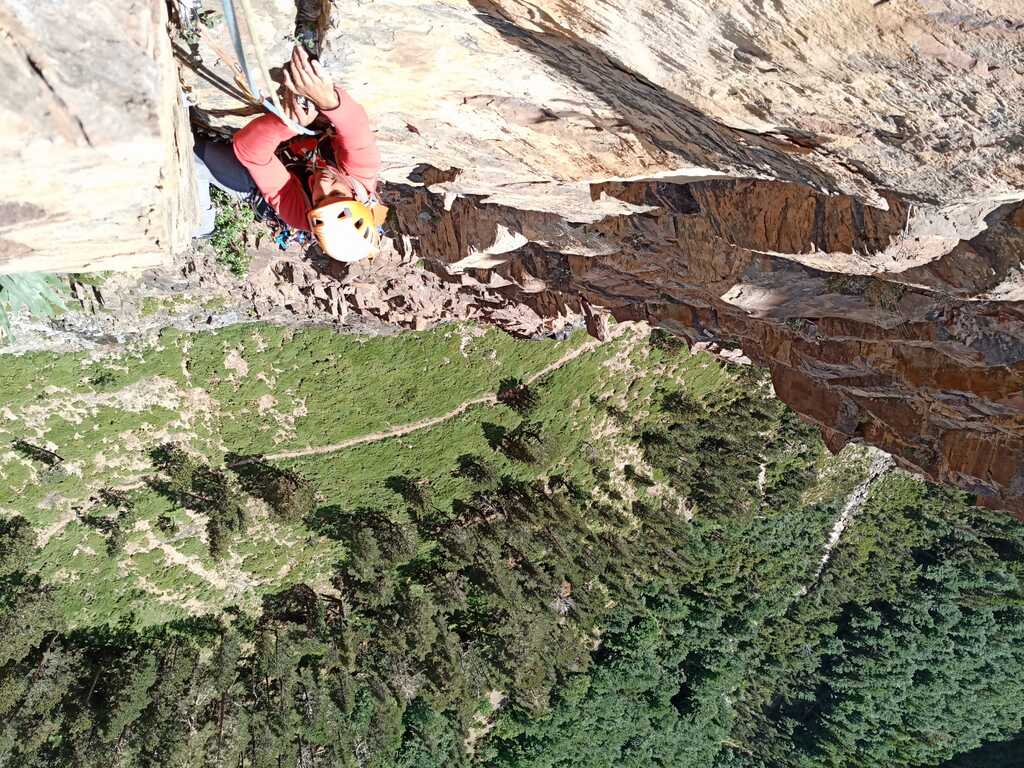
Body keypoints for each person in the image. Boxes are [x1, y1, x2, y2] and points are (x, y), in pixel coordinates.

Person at [193, 45, 385, 263]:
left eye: (319, 199)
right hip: (288, 153)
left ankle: (202, 224)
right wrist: (329, 101)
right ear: (355, 196)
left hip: (257, 183)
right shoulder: (363, 171)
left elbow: (251, 153)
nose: (322, 186)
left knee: (195, 160)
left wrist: (287, 125)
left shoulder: (296, 213)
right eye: (335, 194)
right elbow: (355, 126)